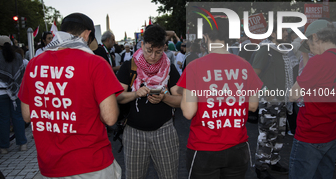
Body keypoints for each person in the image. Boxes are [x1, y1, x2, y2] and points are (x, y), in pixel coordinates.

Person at [18, 13, 123, 178]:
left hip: (51, 165)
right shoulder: (96, 63)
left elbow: (26, 115)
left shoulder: (34, 64)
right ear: (87, 34)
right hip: (91, 163)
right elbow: (110, 118)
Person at [177, 17, 262, 179]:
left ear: (207, 37)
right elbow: (253, 105)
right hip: (237, 147)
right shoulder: (245, 65)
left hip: (204, 149)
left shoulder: (195, 66)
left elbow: (188, 112)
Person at [116, 24, 181, 179]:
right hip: (134, 133)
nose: (153, 56)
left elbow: (180, 101)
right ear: (142, 44)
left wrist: (164, 97)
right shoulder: (130, 66)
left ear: (165, 48)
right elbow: (117, 96)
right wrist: (135, 94)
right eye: (149, 50)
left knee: (169, 175)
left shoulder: (170, 68)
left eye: (158, 52)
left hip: (164, 131)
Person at [289, 20, 336, 179]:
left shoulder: (319, 61)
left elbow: (293, 95)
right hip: (331, 133)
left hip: (309, 134)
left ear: (315, 37)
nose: (309, 49)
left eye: (309, 43)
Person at [253, 24, 298, 179]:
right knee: (266, 134)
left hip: (283, 99)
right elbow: (254, 74)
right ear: (272, 34)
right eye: (283, 31)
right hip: (270, 100)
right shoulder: (265, 49)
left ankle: (273, 161)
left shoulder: (284, 51)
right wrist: (267, 92)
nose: (287, 34)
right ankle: (261, 166)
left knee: (279, 133)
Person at [0, 36, 27, 154]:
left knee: (3, 119)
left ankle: (4, 147)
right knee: (18, 117)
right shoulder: (18, 56)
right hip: (15, 91)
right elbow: (21, 73)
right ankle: (22, 144)